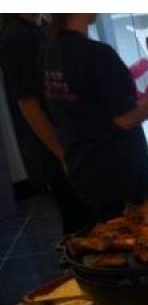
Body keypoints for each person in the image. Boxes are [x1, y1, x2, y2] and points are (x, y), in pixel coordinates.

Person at [42, 14, 148, 222]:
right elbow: (124, 120)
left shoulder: (51, 52)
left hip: (82, 168)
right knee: (139, 239)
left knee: (104, 237)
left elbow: (86, 106)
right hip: (120, 173)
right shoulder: (98, 55)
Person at [0, 13, 85, 233]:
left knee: (80, 219)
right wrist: (62, 153)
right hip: (53, 148)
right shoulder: (17, 36)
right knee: (78, 223)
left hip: (64, 143)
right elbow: (28, 104)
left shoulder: (35, 28)